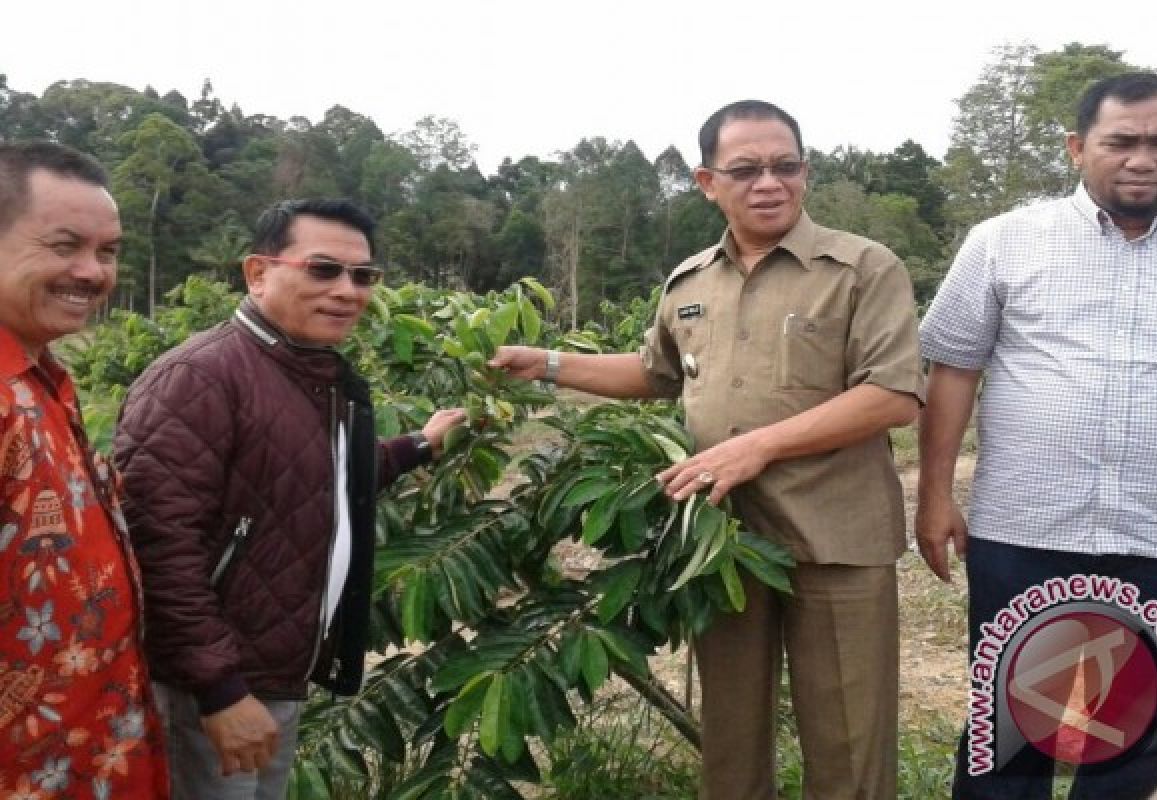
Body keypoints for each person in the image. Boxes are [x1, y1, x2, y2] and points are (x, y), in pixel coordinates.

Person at [491, 100, 923, 800]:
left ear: (805, 173)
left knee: (849, 738)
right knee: (731, 736)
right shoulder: (689, 282)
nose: (768, 182)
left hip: (838, 536)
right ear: (706, 182)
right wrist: (545, 363)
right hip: (721, 541)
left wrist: (757, 446)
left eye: (785, 166)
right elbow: (654, 374)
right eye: (746, 168)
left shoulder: (860, 269)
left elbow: (892, 396)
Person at [113, 198, 464, 798]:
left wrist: (419, 445)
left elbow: (314, 479)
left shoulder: (305, 372)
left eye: (363, 276)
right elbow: (159, 547)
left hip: (271, 674)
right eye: (322, 269)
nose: (348, 291)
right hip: (213, 689)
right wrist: (219, 688)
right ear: (258, 273)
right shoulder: (201, 377)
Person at [918, 72, 1157, 798]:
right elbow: (953, 369)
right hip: (1027, 531)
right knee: (1010, 730)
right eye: (1121, 141)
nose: (1143, 158)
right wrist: (935, 496)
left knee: (1138, 740)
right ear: (1078, 147)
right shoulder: (1004, 242)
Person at [0, 142, 169, 797]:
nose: (92, 272)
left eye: (108, 251)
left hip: (88, 756)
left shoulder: (41, 379)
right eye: (64, 245)